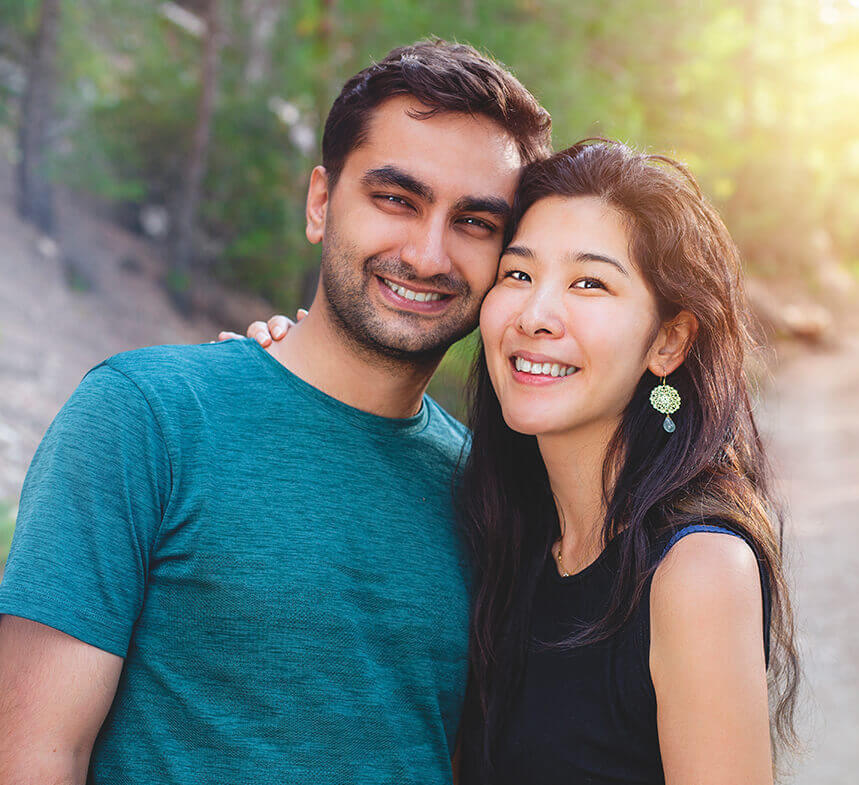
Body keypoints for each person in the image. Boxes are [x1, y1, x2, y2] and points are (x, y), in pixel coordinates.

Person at [0, 40, 551, 785]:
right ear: (321, 201)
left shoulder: (489, 495)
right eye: (396, 199)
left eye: (475, 222)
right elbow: (32, 755)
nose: (427, 254)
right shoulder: (144, 418)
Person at [248, 141, 801, 784]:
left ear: (669, 341)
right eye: (518, 274)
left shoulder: (696, 568)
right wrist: (280, 376)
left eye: (590, 283)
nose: (537, 315)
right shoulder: (502, 525)